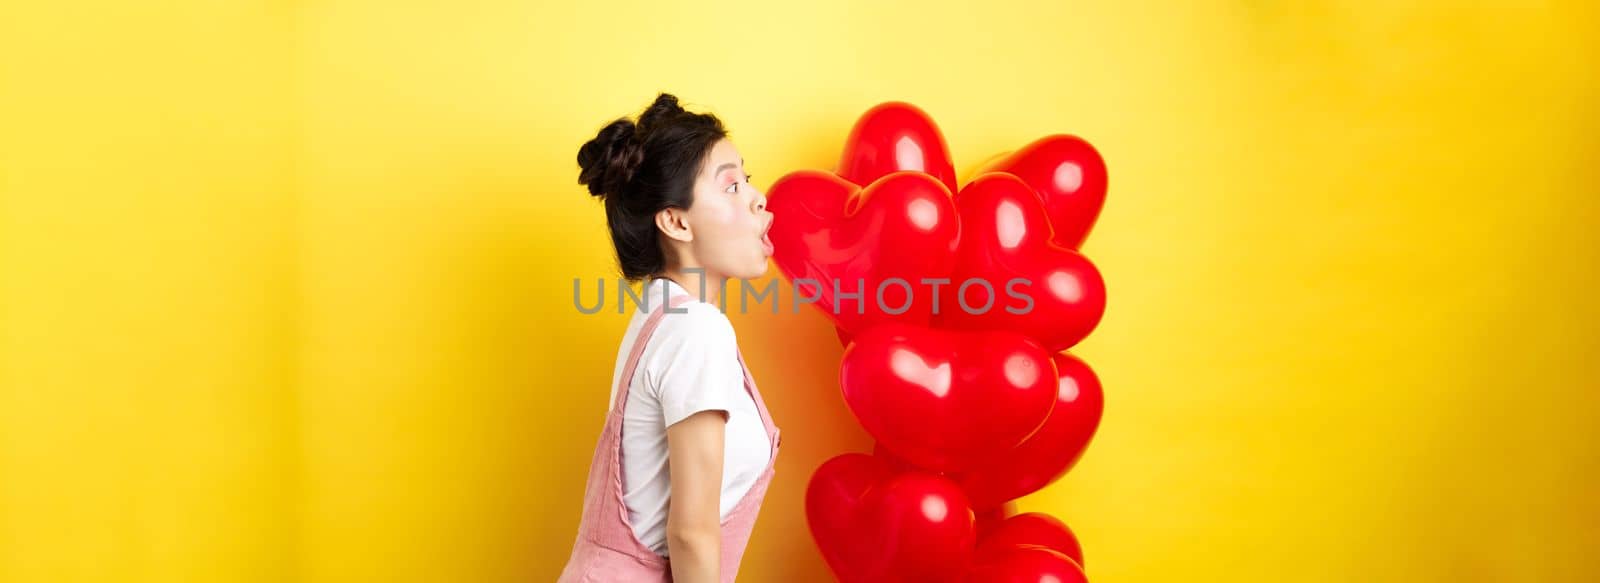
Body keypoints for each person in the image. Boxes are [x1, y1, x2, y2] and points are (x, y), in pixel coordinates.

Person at [558, 93, 780, 583]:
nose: (756, 196)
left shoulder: (660, 318)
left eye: (748, 178)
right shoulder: (696, 330)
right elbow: (691, 533)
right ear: (677, 222)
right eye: (731, 186)